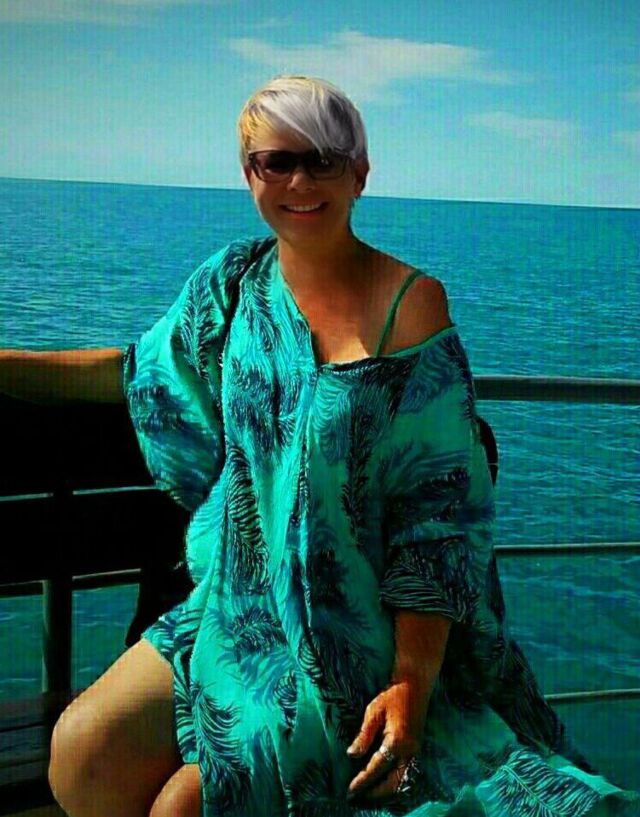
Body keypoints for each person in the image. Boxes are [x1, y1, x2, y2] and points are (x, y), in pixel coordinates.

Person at [3, 74, 637, 817]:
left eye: (324, 160)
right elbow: (136, 370)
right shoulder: (231, 287)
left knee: (184, 805)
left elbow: (439, 517)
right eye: (277, 161)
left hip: (362, 629)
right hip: (241, 603)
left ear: (359, 174)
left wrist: (410, 681)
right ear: (249, 173)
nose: (300, 181)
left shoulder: (411, 306)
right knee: (83, 756)